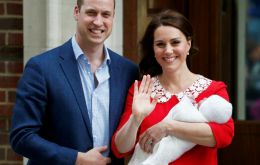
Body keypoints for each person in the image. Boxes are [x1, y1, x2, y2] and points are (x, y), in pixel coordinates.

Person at [9, 0, 138, 164]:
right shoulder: (41, 67)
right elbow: (22, 136)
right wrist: (76, 159)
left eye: (105, 14)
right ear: (76, 12)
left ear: (113, 16)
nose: (98, 22)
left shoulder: (128, 71)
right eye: (91, 13)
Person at [111, 10, 234, 165]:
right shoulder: (143, 90)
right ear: (153, 50)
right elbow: (120, 149)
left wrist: (168, 127)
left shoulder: (213, 89)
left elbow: (224, 135)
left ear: (188, 44)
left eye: (175, 42)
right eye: (160, 44)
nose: (168, 50)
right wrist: (136, 119)